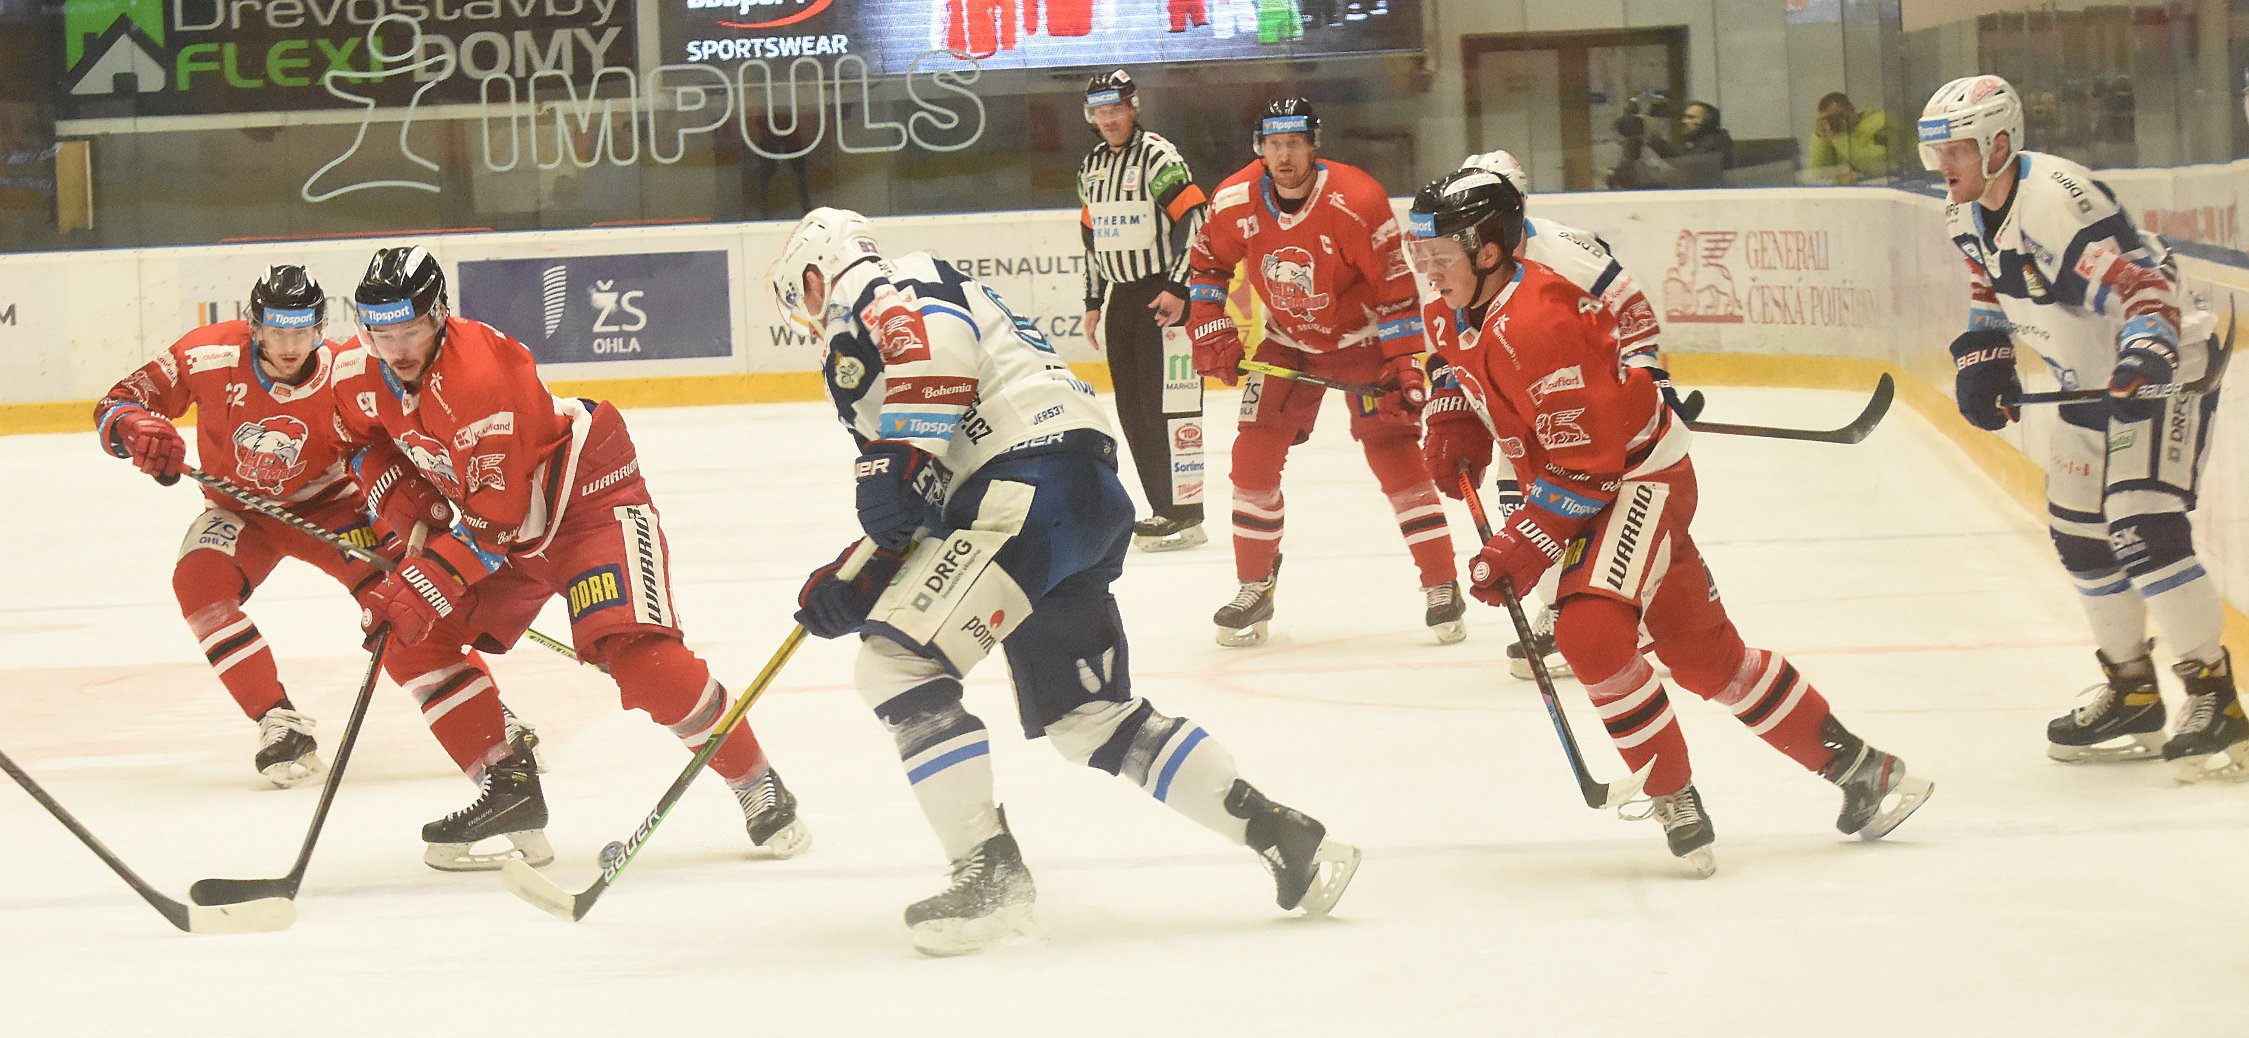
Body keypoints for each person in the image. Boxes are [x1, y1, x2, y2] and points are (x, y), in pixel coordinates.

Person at [769, 207, 1359, 955]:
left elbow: (931, 378)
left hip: (1024, 491)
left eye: (800, 298)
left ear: (815, 274)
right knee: (1091, 719)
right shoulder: (915, 317)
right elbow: (920, 495)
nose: (807, 319)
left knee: (897, 665)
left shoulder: (887, 285)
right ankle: (1278, 832)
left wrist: (897, 465)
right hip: (1071, 500)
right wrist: (860, 576)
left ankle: (990, 879)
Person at [1406, 168, 1933, 874]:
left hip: (1634, 479)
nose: (1428, 270)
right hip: (1582, 480)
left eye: (1440, 255)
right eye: (1424, 254)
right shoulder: (1452, 307)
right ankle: (1867, 772)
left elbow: (1586, 468)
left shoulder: (1540, 321)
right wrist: (1451, 415)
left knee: (1589, 631)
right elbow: (1455, 363)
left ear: (1490, 250)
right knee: (1704, 657)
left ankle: (1671, 794)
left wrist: (1519, 546)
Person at [336, 246, 812, 867]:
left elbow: (493, 526)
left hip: (586, 503)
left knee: (642, 663)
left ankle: (755, 780)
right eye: (382, 333)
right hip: (507, 526)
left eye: (411, 331)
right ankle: (508, 788)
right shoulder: (357, 373)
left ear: (440, 315)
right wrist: (402, 498)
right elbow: (355, 440)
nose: (397, 349)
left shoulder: (479, 377)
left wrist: (415, 587)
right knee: (410, 641)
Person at [93, 267, 547, 844]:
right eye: (276, 331)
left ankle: (490, 722)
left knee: (405, 608)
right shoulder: (206, 355)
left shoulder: (343, 372)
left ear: (320, 327)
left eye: (302, 331)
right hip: (240, 512)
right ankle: (277, 721)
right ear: (254, 326)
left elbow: (387, 439)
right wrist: (134, 428)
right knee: (199, 584)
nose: (289, 346)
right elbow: (119, 402)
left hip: (338, 510)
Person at [1919, 74, 2245, 781]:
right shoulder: (1963, 208)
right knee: (2079, 537)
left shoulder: (2053, 203)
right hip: (2086, 380)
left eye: (1958, 150)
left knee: (2141, 525)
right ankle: (2132, 691)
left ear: (1998, 144)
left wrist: (2145, 356)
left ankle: (2213, 695)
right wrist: (1986, 356)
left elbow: (2145, 286)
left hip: (2165, 364)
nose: (1944, 166)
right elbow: (1990, 285)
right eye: (1937, 152)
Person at [1185, 96, 1464, 647]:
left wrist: (1402, 362)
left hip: (1363, 343)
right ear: (1260, 149)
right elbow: (1207, 265)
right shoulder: (1235, 198)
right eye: (1274, 145)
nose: (1284, 156)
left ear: (1314, 145)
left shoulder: (1357, 199)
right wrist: (1210, 327)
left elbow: (1395, 290)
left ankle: (1441, 583)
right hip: (1287, 345)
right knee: (1251, 459)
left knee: (1395, 457)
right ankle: (1254, 585)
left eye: (1294, 143)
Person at [1442, 151, 1677, 681]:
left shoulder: (1565, 249)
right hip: (1520, 409)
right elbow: (1454, 337)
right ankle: (1562, 605)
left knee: (1599, 506)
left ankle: (1621, 608)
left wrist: (1650, 380)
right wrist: (1455, 404)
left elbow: (1634, 313)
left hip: (1579, 405)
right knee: (1522, 506)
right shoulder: (1462, 261)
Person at [1077, 69, 1212, 553]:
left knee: (1169, 408)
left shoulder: (1158, 156)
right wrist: (1094, 301)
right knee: (1133, 411)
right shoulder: (1091, 166)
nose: (1109, 119)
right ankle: (1164, 509)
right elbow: (1091, 239)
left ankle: (1186, 512)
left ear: (1133, 108)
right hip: (1122, 299)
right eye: (1100, 111)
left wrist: (1179, 287)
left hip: (1162, 297)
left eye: (1116, 108)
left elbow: (1197, 220)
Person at [1610, 95, 1730, 190]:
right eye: (1684, 117)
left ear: (1708, 122)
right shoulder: (1700, 142)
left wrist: (1650, 135)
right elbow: (1680, 161)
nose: (1683, 121)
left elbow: (1687, 167)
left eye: (1691, 117)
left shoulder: (1715, 143)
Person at [1805, 92, 1892, 184]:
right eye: (1829, 118)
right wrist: (1820, 137)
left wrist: (1839, 138)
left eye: (1838, 116)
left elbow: (1879, 163)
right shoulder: (1830, 133)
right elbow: (1818, 172)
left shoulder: (1879, 122)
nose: (1834, 121)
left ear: (1850, 109)